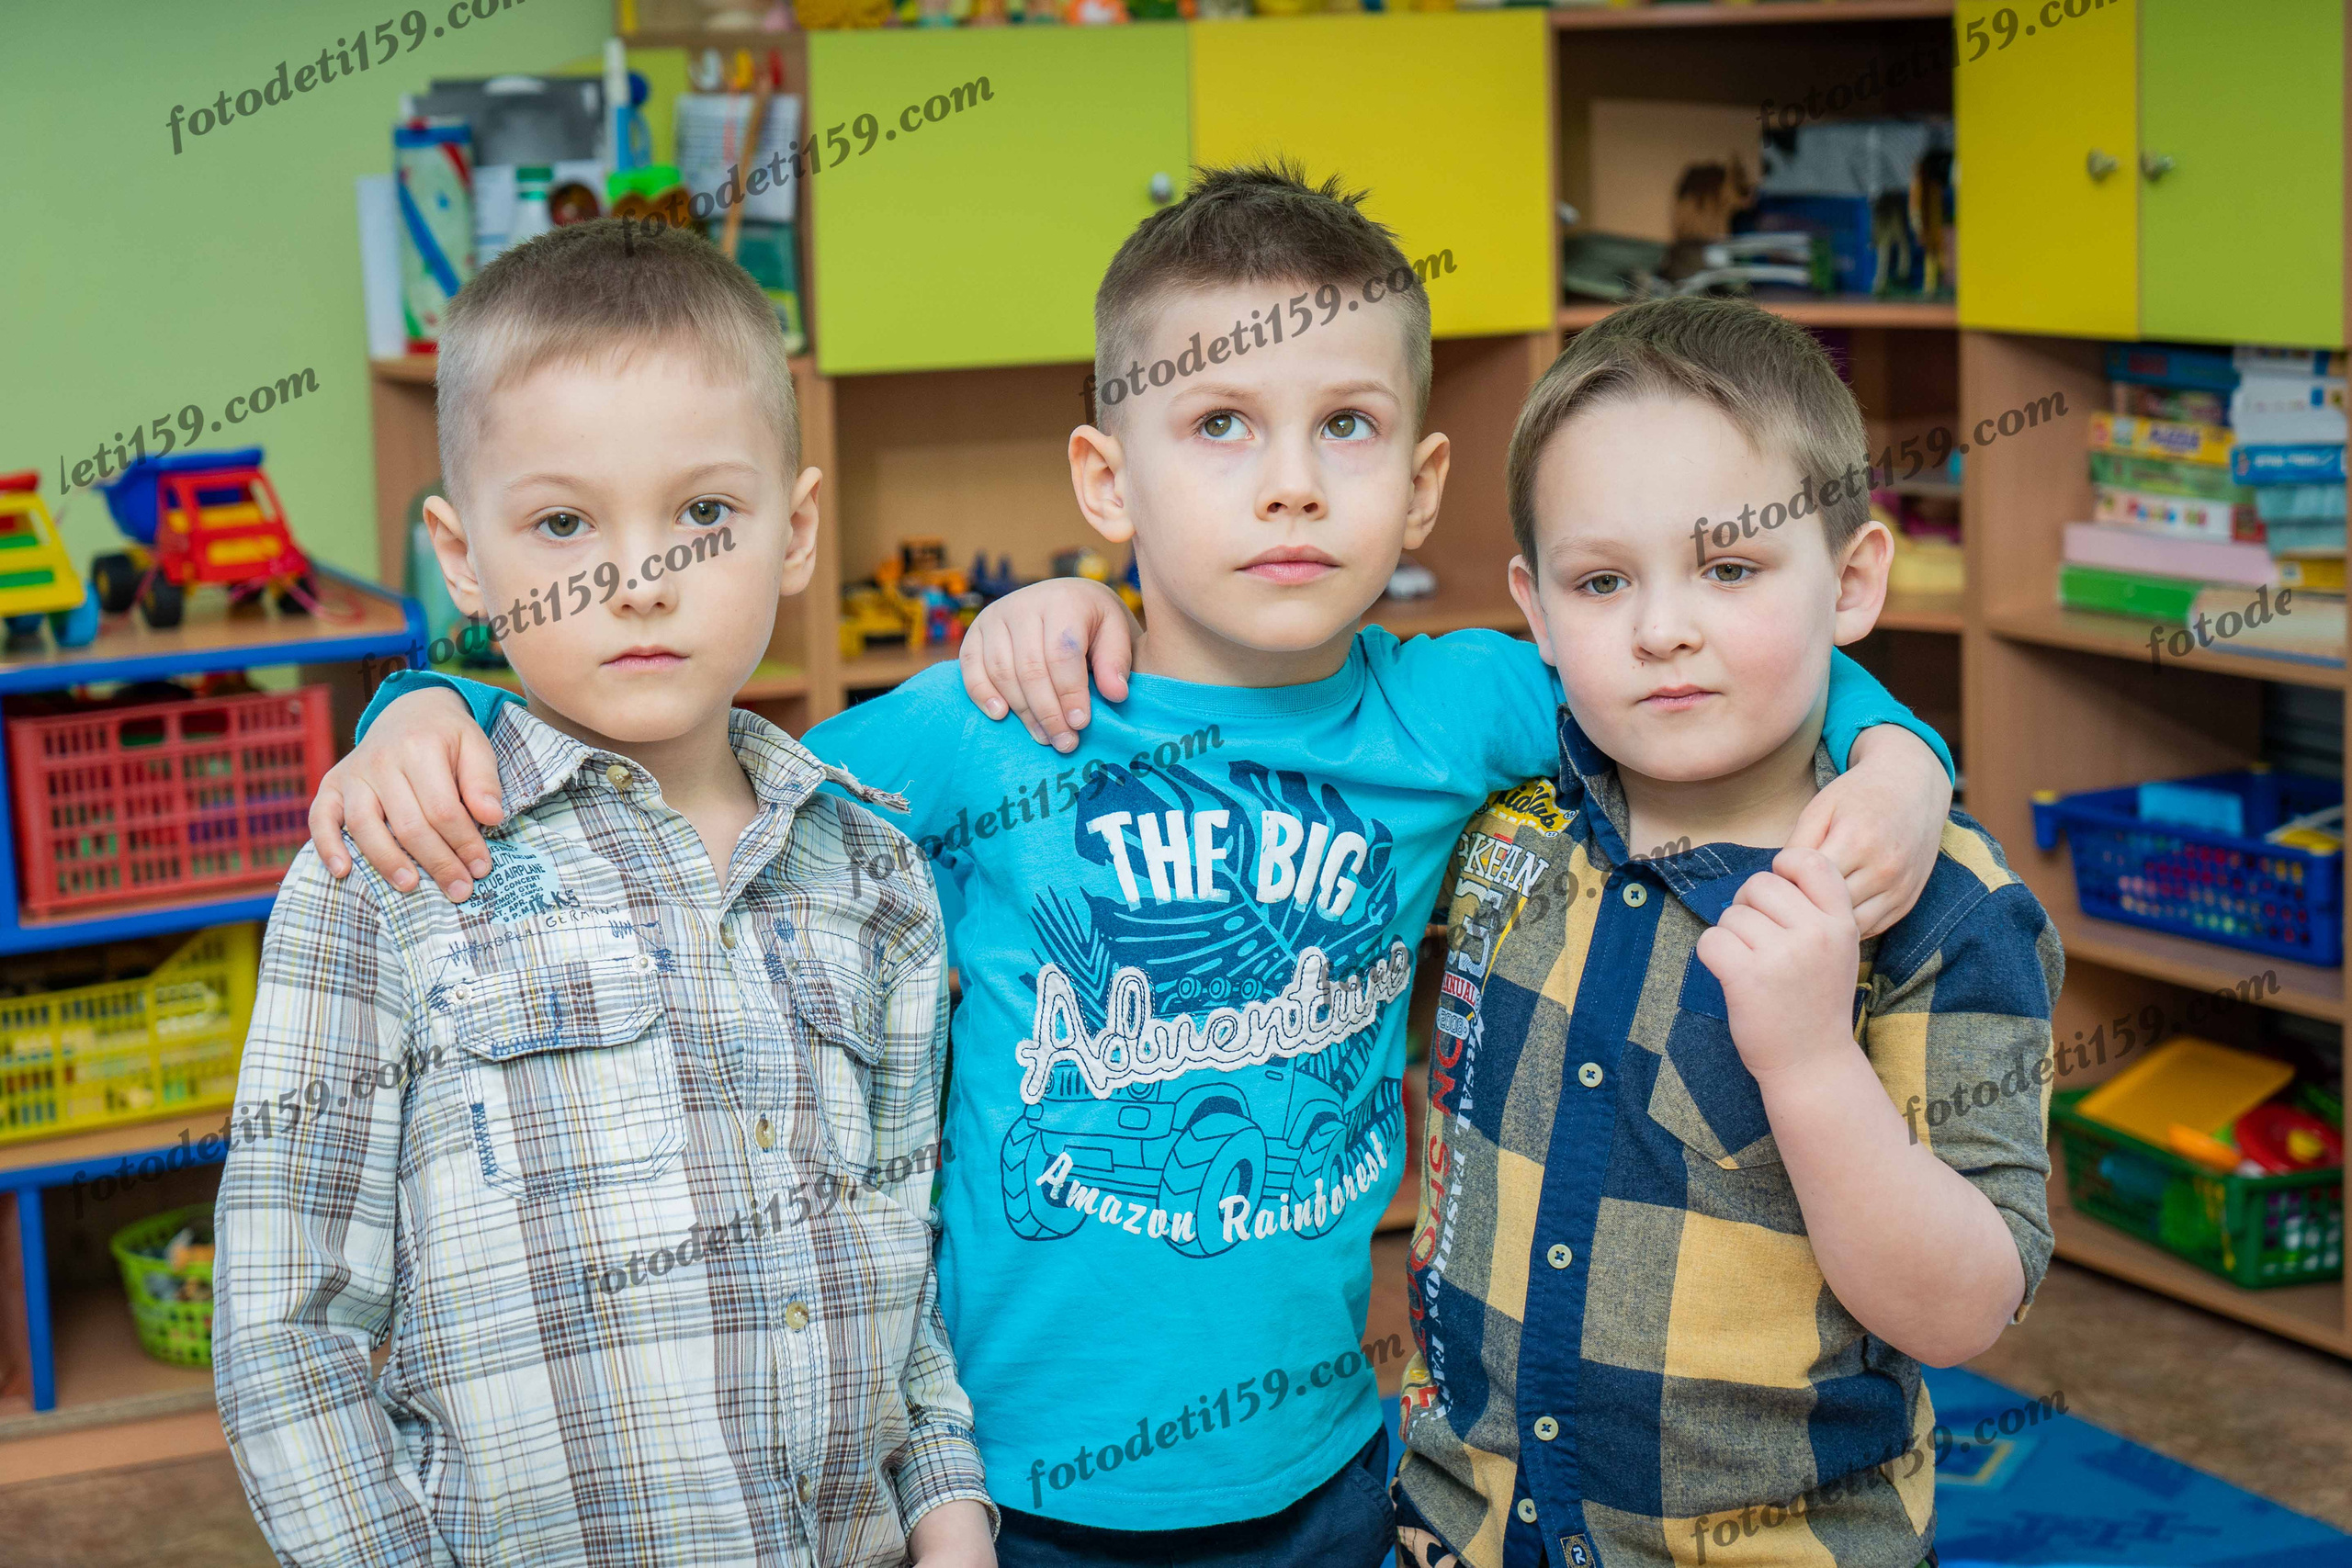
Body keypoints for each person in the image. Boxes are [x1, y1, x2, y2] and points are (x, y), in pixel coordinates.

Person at [309, 165, 1957, 1568]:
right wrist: (426, 700)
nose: (1292, 479)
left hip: (1323, 1462)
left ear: (1424, 484)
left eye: (1350, 427)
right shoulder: (996, 717)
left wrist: (1900, 755)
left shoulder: (1460, 703)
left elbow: (1708, 665)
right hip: (1002, 1484)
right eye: (1221, 424)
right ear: (1108, 477)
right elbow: (684, 757)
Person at [214, 219, 994, 1568]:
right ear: (464, 559)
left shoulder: (878, 876)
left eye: (704, 514)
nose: (639, 581)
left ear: (797, 530)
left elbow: (903, 1269)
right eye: (565, 522)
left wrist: (950, 1510)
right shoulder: (390, 865)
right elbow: (288, 1333)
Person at [1389, 298, 2062, 1568]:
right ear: (1535, 612)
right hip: (1462, 1533)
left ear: (1854, 580)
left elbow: (1968, 1305)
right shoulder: (1498, 824)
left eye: (1731, 568)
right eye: (1602, 582)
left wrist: (1811, 1065)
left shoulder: (1944, 904)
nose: (1661, 629)